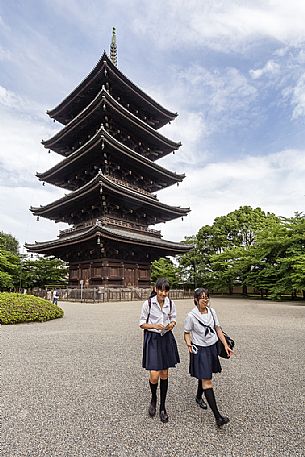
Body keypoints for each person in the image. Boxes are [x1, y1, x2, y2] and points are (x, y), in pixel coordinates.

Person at [184, 287, 233, 427]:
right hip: (200, 349)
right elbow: (186, 333)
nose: (205, 300)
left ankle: (199, 397)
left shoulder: (212, 311)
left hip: (212, 347)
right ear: (196, 300)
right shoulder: (191, 316)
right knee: (207, 381)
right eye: (202, 297)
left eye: (207, 297)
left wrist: (225, 345)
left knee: (205, 374)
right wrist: (188, 344)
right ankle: (218, 417)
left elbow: (218, 328)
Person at [139, 278, 180, 423]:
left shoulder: (171, 303)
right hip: (153, 338)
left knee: (164, 373)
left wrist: (172, 324)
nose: (163, 293)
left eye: (166, 290)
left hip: (166, 338)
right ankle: (153, 397)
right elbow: (142, 323)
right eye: (161, 290)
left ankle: (162, 406)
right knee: (154, 374)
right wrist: (154, 326)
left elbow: (173, 318)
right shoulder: (148, 304)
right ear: (155, 289)